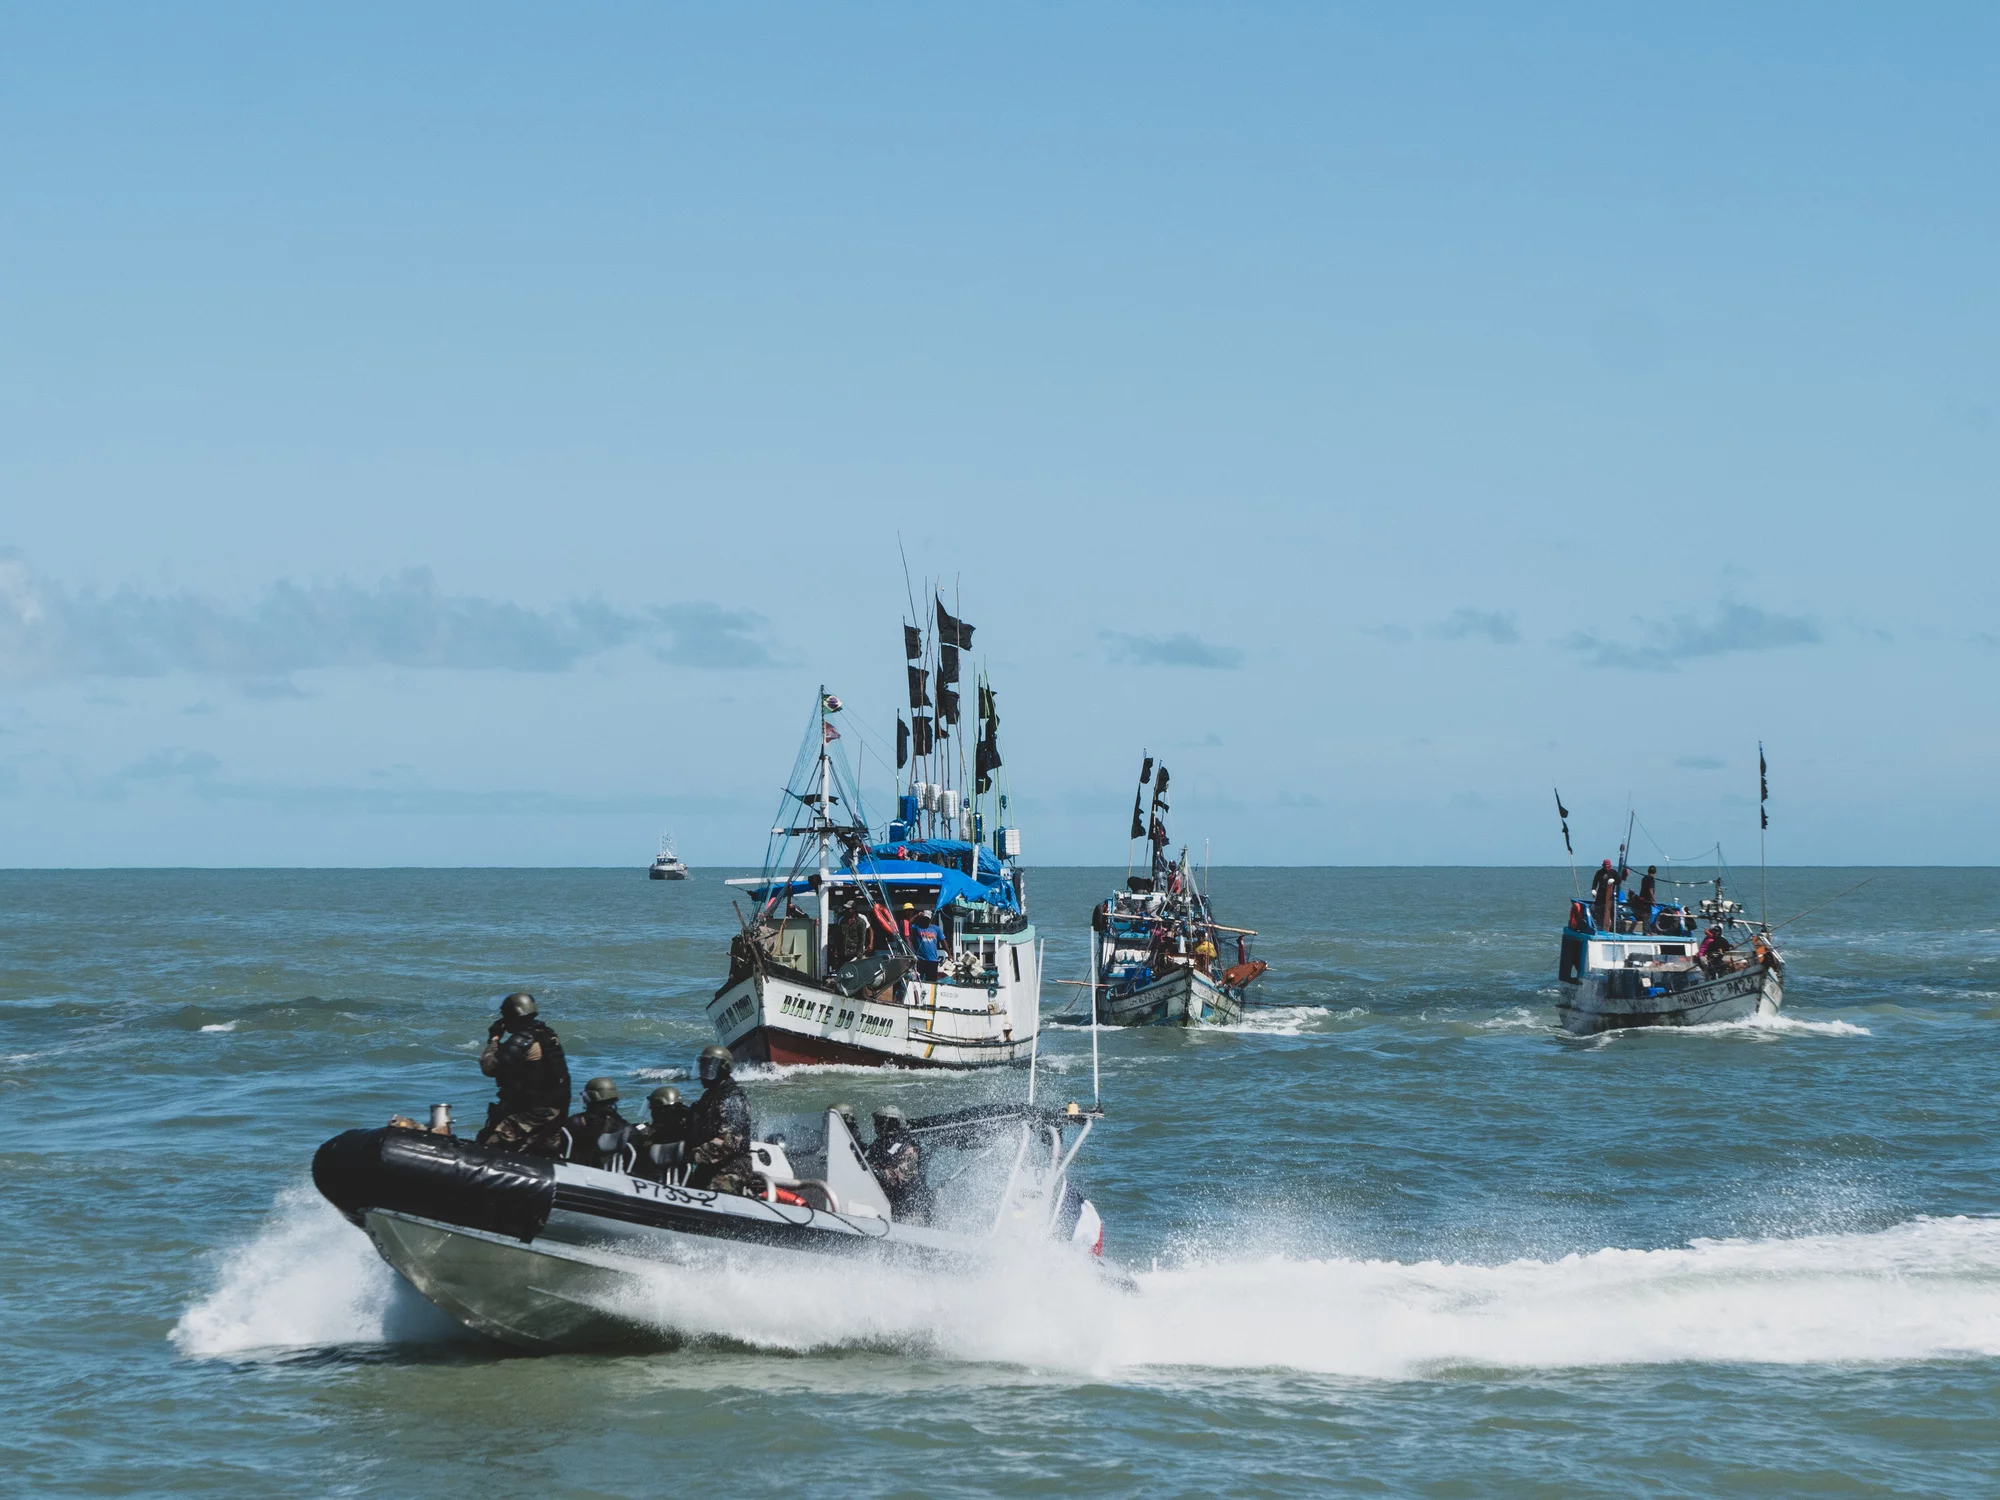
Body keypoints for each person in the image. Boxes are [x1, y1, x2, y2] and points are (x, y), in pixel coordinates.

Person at [476, 991, 571, 1154]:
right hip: (554, 1107)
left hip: (535, 1111)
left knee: (489, 1146)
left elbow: (489, 1067)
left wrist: (494, 1038)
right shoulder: (547, 1034)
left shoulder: (523, 1040)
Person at [686, 1045, 754, 1195]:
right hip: (710, 1163)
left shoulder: (732, 1098)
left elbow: (729, 1141)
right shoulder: (710, 1096)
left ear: (722, 1069)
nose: (703, 1073)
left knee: (712, 1191)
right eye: (702, 1067)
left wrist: (692, 1155)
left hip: (733, 1166)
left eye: (708, 1068)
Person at [865, 1104, 931, 1223]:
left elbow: (904, 1174)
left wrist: (876, 1171)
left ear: (890, 1123)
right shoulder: (878, 1145)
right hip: (888, 1207)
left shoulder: (909, 1146)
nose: (875, 1125)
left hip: (911, 1210)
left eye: (879, 1122)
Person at [562, 1077, 633, 1169]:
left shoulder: (576, 1121)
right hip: (608, 1174)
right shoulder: (623, 1125)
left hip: (577, 1171)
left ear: (589, 1098)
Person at [633, 1085, 692, 1179]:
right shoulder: (683, 1129)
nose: (651, 1112)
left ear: (660, 1111)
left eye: (652, 1108)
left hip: (654, 1177)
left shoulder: (660, 1133)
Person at [910, 908, 942, 982]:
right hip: (920, 960)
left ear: (930, 919)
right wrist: (917, 916)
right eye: (924, 918)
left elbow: (943, 941)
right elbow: (908, 925)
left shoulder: (936, 929)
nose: (926, 920)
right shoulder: (916, 927)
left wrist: (949, 954)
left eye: (927, 919)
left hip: (933, 961)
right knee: (917, 980)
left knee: (931, 982)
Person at [1590, 859, 1619, 931]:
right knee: (1599, 910)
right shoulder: (1599, 872)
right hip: (1601, 894)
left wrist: (1614, 881)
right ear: (1603, 865)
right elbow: (1595, 882)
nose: (1606, 866)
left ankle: (1613, 928)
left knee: (1611, 911)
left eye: (1608, 865)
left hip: (1610, 895)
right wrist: (1593, 889)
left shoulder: (1613, 872)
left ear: (1610, 865)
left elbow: (1619, 881)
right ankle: (1599, 925)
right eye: (1605, 865)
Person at [1636, 866, 1659, 932]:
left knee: (1646, 915)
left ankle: (1647, 931)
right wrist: (1653, 900)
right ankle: (1646, 931)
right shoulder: (1651, 879)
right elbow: (1650, 890)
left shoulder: (1644, 878)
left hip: (1642, 898)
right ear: (1654, 872)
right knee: (1647, 916)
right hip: (1647, 900)